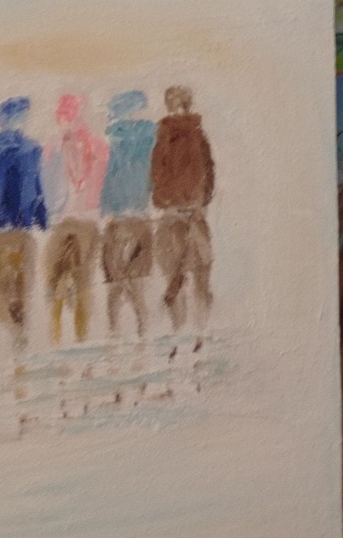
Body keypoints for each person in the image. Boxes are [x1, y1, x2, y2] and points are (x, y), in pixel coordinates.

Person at [0, 97, 47, 361]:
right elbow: (37, 190)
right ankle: (19, 353)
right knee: (21, 299)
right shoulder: (32, 149)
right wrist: (41, 219)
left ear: (0, 120)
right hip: (23, 234)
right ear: (22, 119)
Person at [43, 92, 107, 344]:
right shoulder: (98, 145)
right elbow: (101, 185)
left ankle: (58, 339)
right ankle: (80, 339)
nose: (67, 121)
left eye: (66, 116)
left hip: (64, 222)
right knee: (83, 283)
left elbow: (45, 189)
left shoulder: (51, 148)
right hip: (86, 221)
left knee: (55, 283)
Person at [151, 85, 215, 333]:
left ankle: (179, 327)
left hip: (175, 210)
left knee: (173, 267)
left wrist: (165, 202)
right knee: (202, 268)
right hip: (193, 210)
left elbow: (157, 174)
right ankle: (199, 328)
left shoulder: (164, 136)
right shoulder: (199, 134)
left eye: (177, 105)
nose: (176, 110)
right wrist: (201, 201)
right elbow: (209, 173)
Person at [100, 90, 156, 338]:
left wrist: (105, 208)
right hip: (142, 218)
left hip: (117, 219)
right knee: (137, 284)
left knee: (114, 286)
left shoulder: (113, 139)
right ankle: (143, 330)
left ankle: (114, 335)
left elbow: (109, 180)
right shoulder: (150, 136)